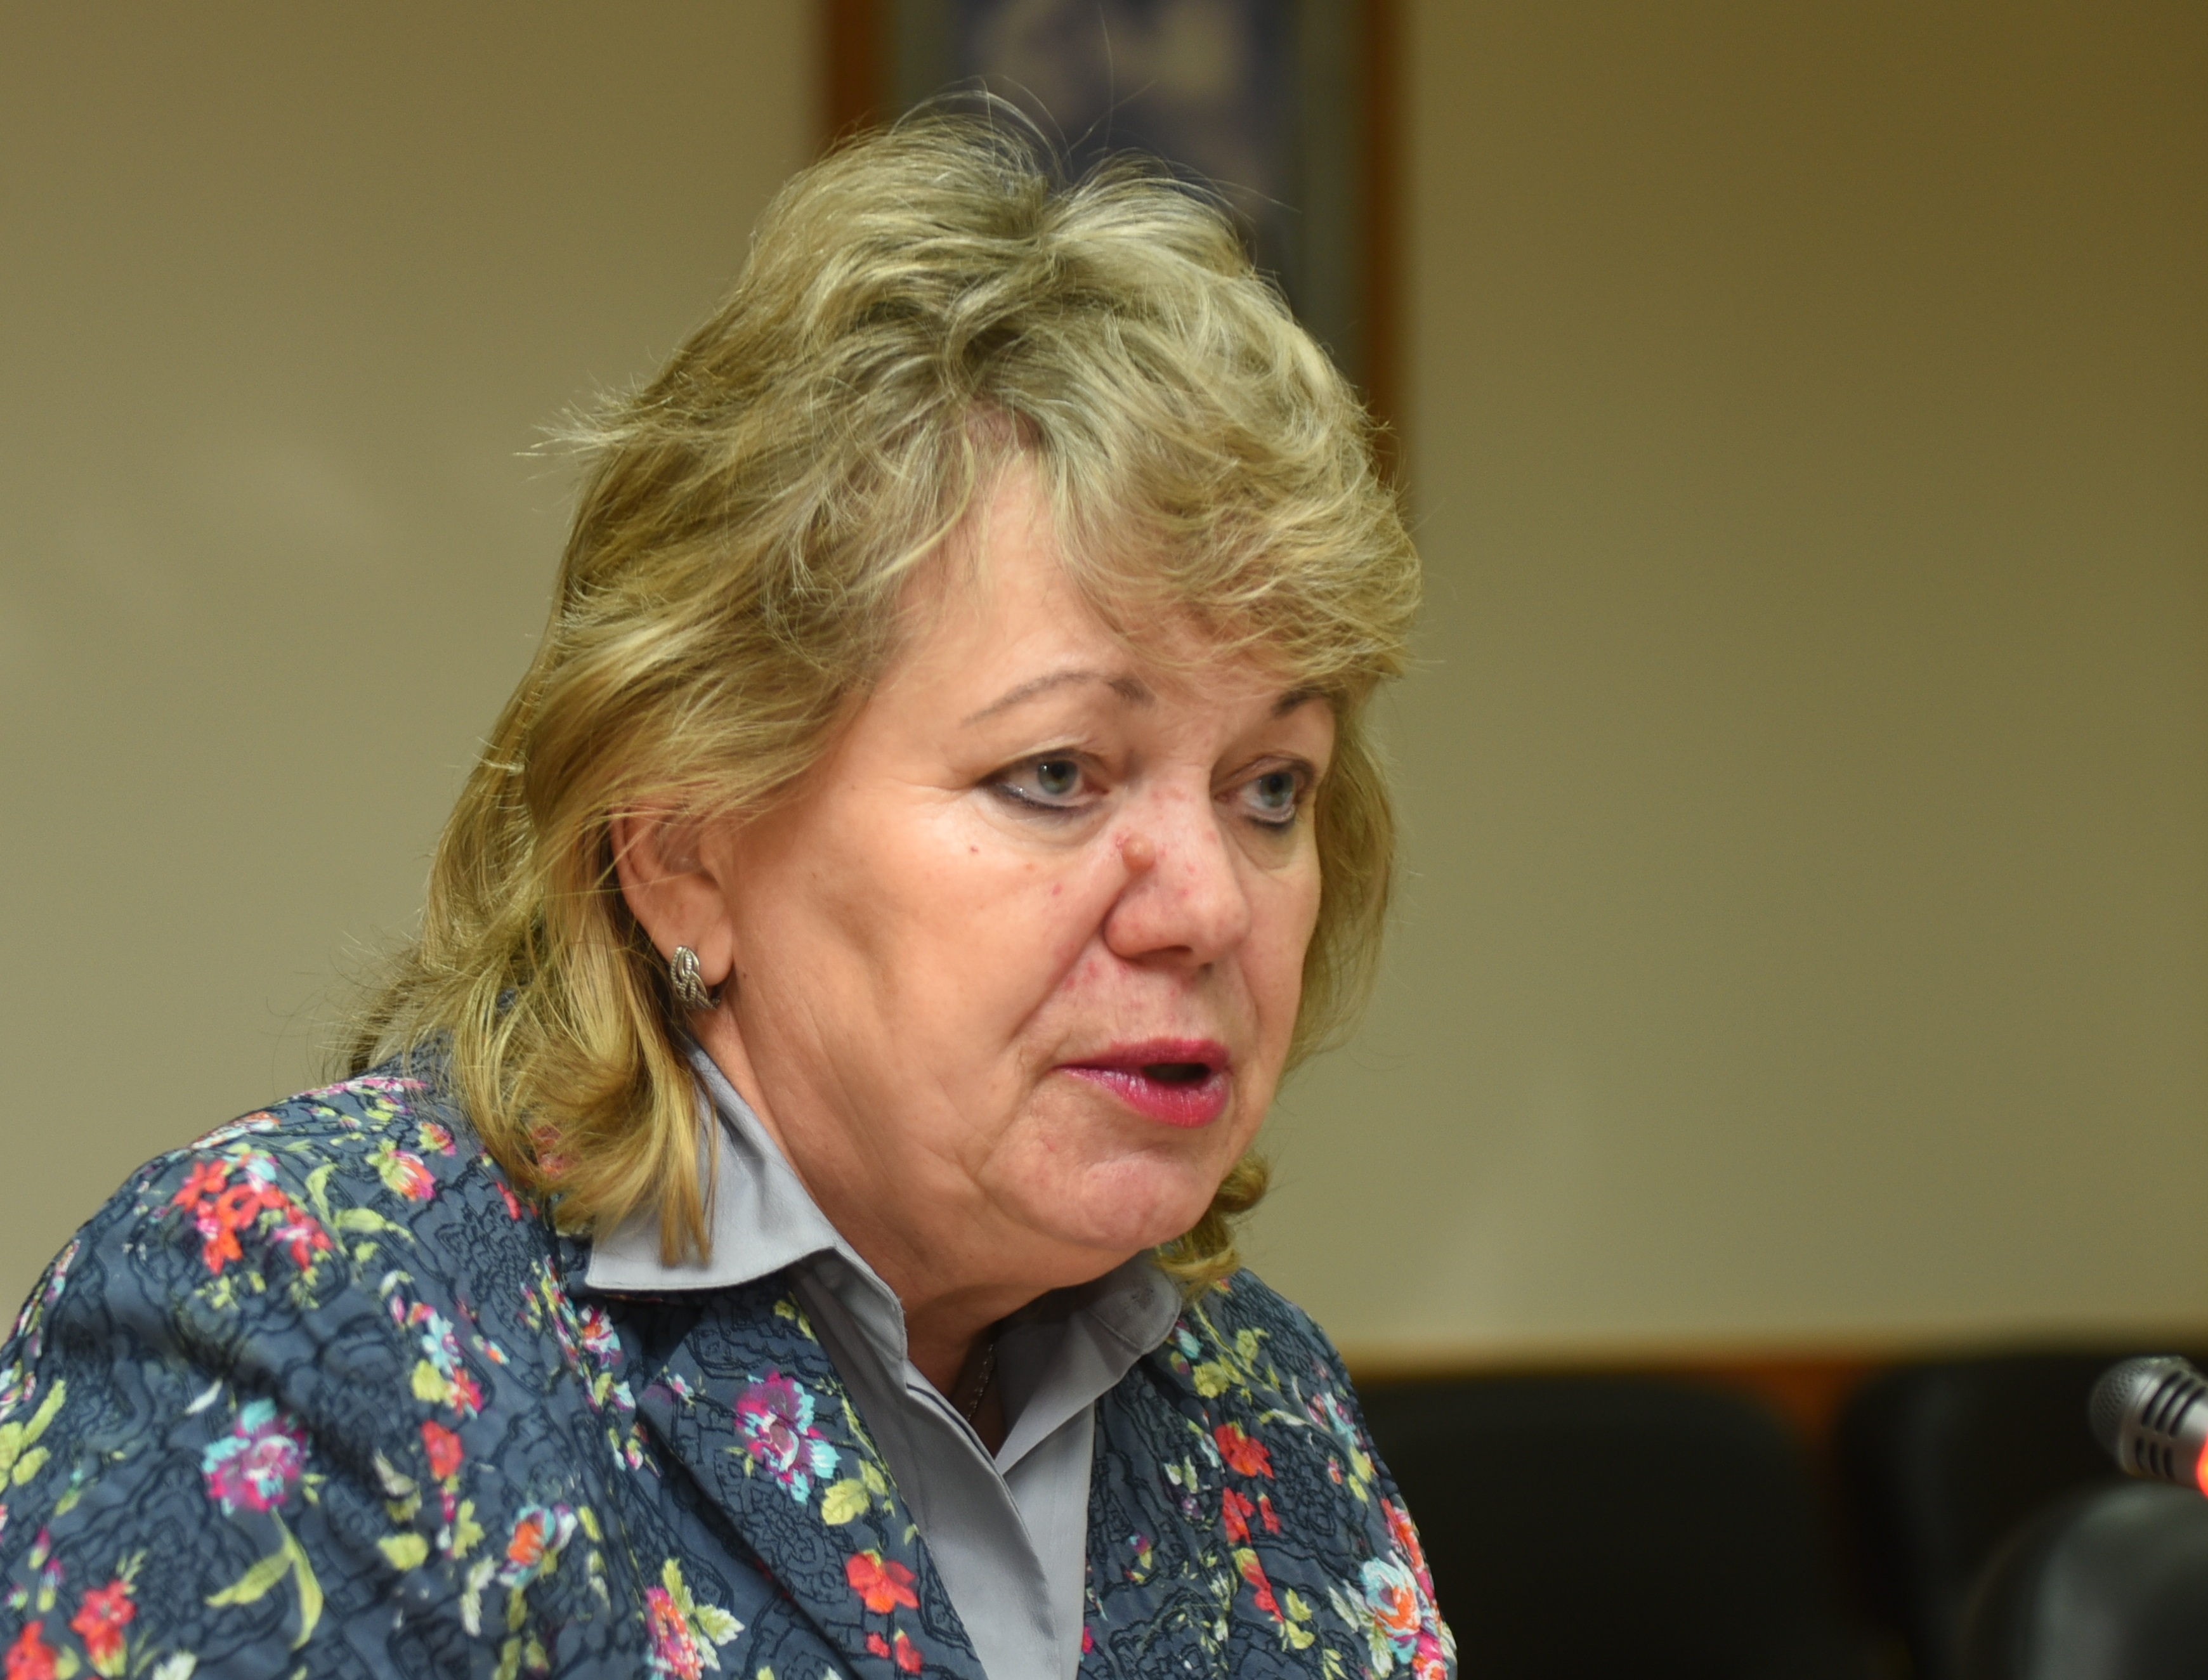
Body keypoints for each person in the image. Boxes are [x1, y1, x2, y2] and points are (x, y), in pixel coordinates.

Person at [0, 115, 1448, 1680]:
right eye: (1056, 773)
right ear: (683, 846)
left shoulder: (1264, 1409)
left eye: (1270, 786)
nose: (1208, 906)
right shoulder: (286, 1330)